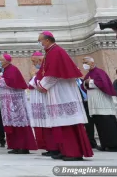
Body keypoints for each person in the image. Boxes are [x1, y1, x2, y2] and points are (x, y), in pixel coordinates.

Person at [33, 31, 93, 161]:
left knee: (67, 122)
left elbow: (53, 74)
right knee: (62, 123)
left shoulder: (55, 52)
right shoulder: (52, 52)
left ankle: (73, 152)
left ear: (47, 40)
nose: (40, 43)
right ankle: (65, 150)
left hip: (63, 93)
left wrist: (42, 86)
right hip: (58, 91)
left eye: (40, 40)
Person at [0, 54, 37, 154]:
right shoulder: (5, 70)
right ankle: (15, 146)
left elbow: (12, 82)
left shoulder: (13, 69)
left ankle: (23, 146)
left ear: (6, 61)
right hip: (8, 102)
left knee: (19, 123)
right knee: (12, 124)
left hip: (15, 103)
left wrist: (0, 80)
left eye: (0, 60)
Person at [82, 57, 117, 152]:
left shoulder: (99, 72)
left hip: (103, 102)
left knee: (107, 124)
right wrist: (86, 83)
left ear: (92, 63)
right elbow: (83, 85)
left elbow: (103, 83)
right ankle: (105, 144)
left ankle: (113, 145)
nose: (84, 64)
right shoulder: (88, 74)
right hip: (94, 104)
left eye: (86, 62)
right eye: (83, 63)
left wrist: (90, 82)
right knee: (100, 125)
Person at [28, 51, 52, 152]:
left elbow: (40, 85)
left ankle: (50, 146)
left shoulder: (45, 70)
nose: (33, 64)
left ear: (40, 60)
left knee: (47, 123)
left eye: (34, 61)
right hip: (37, 99)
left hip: (44, 99)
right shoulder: (39, 71)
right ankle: (45, 145)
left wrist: (33, 76)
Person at [77, 75, 98, 149]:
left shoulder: (83, 81)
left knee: (90, 123)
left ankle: (92, 142)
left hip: (88, 103)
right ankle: (82, 142)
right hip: (79, 104)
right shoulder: (70, 83)